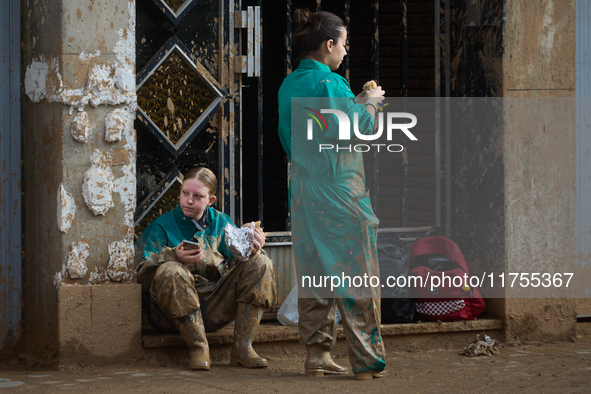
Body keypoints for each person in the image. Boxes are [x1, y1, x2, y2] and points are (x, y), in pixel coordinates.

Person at [277, 9, 387, 380]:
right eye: (343, 43)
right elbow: (361, 129)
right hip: (339, 189)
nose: (345, 50)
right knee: (357, 274)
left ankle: (317, 355)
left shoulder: (289, 84)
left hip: (304, 190)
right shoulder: (332, 83)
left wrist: (353, 102)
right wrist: (371, 101)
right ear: (328, 45)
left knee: (315, 274)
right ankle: (367, 362)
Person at [136, 167, 276, 371]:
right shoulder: (161, 226)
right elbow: (140, 274)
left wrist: (252, 249)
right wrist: (173, 255)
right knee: (171, 270)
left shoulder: (221, 223)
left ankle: (243, 348)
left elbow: (242, 267)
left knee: (262, 263)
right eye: (185, 193)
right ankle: (198, 348)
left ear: (210, 200)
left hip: (213, 306)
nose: (189, 200)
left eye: (197, 196)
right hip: (169, 315)